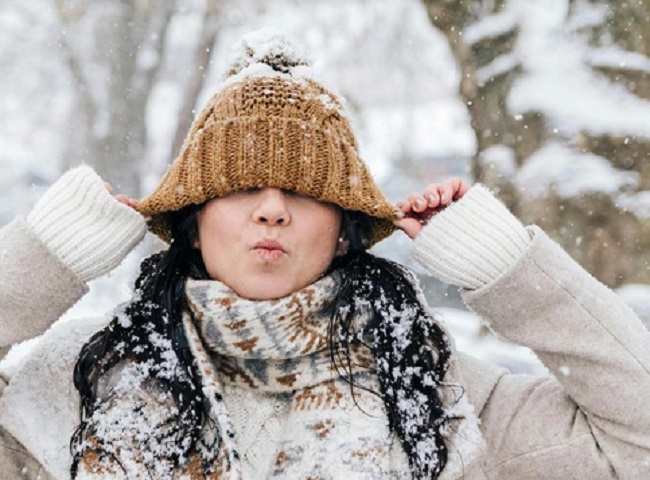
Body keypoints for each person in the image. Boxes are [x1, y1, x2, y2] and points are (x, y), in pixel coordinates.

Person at [1, 31, 649, 480]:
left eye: (306, 193)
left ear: (345, 229)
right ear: (193, 221)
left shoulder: (432, 393)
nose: (272, 209)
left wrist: (507, 266)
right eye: (241, 187)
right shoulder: (81, 379)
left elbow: (636, 444)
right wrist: (44, 257)